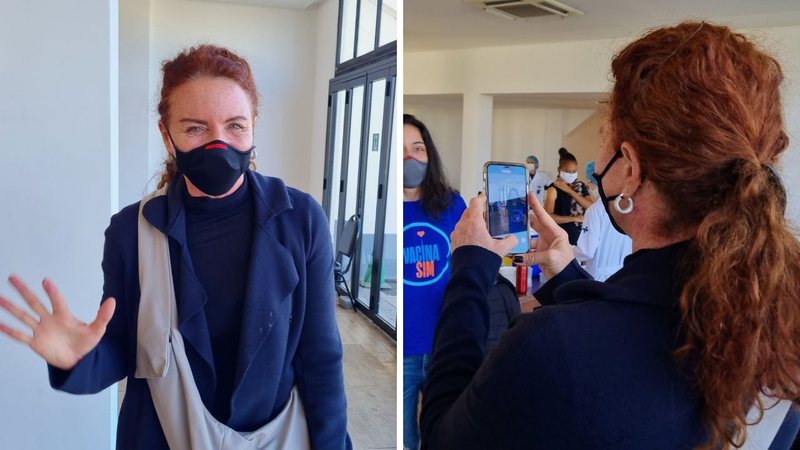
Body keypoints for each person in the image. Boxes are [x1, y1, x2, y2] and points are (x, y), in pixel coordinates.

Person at [420, 22, 800, 450]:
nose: (597, 159)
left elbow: (439, 437)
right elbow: (632, 321)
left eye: (605, 134)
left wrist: (470, 268)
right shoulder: (775, 312)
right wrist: (566, 275)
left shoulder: (551, 348)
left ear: (632, 170)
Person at [0, 45, 351, 450]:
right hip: (160, 436)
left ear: (254, 125)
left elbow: (321, 357)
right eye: (195, 128)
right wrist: (77, 359)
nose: (219, 143)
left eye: (235, 125)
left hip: (275, 436)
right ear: (167, 135)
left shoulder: (301, 220)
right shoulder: (131, 230)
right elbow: (123, 344)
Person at [403, 114, 466, 450]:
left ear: (430, 155)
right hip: (407, 348)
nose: (410, 159)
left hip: (448, 343)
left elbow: (472, 262)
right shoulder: (390, 211)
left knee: (446, 436)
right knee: (406, 438)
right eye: (400, 152)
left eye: (418, 148)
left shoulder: (453, 205)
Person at [573, 198, 632, 281]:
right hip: (625, 274)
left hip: (599, 277)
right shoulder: (629, 208)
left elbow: (586, 251)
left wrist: (568, 254)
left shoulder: (596, 210)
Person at [544, 147, 593, 245]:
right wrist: (573, 218)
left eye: (574, 171)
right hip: (561, 240)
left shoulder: (580, 186)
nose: (571, 174)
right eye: (567, 171)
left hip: (582, 239)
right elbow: (547, 218)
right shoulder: (553, 189)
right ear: (559, 170)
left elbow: (591, 206)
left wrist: (569, 191)